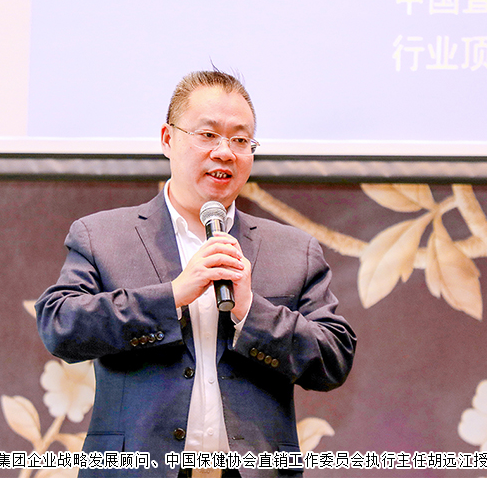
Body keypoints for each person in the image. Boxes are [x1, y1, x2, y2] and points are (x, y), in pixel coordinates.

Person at [35, 70, 356, 477]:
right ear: (168, 139)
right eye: (208, 135)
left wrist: (250, 311)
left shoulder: (294, 250)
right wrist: (171, 296)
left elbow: (333, 358)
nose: (225, 152)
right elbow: (60, 325)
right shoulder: (102, 236)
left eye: (240, 140)